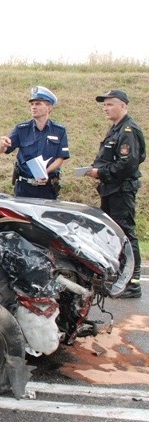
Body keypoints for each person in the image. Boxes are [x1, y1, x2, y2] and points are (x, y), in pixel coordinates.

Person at [84, 89, 145, 299]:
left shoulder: (128, 130)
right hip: (111, 189)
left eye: (110, 104)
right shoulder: (115, 130)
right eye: (104, 104)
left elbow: (128, 164)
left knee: (126, 233)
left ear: (123, 106)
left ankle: (133, 283)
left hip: (121, 190)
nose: (105, 108)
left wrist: (100, 172)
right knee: (114, 234)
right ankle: (120, 275)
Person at [0, 86, 70, 199]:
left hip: (47, 189)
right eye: (32, 104)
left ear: (49, 107)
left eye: (38, 104)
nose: (33, 107)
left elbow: (60, 158)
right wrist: (1, 145)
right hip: (24, 188)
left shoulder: (59, 130)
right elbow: (3, 150)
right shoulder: (21, 129)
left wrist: (45, 172)